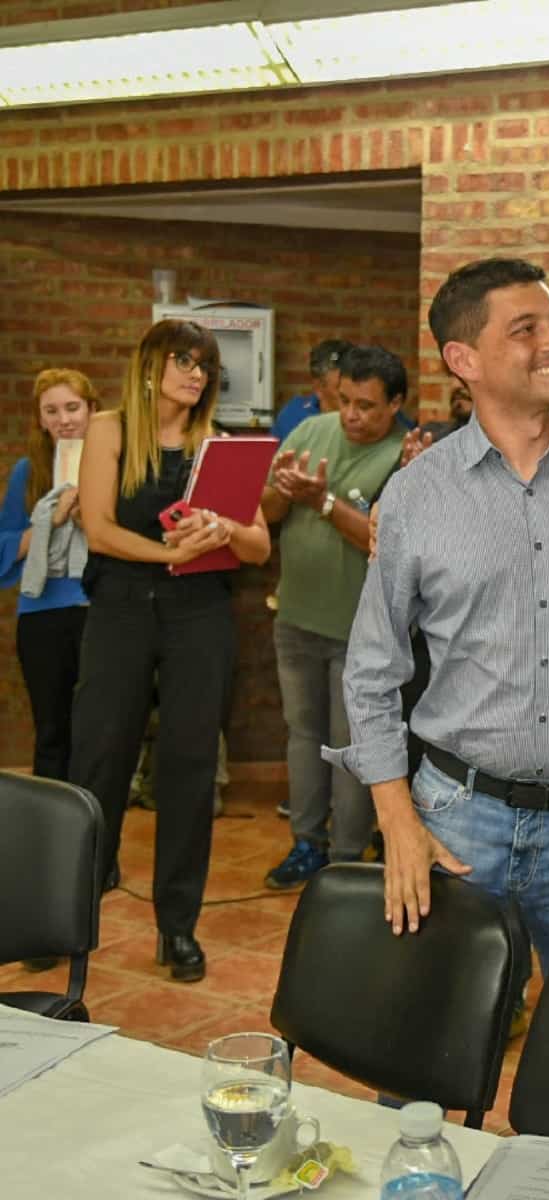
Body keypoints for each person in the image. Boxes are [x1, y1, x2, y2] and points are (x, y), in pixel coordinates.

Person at [330, 257, 549, 980]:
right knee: (433, 1030)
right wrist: (396, 820)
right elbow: (373, 670)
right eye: (526, 329)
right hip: (457, 819)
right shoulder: (414, 495)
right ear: (463, 359)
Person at [70, 319, 270, 982]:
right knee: (100, 758)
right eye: (183, 360)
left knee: (189, 768)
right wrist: (169, 553)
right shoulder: (110, 429)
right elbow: (99, 530)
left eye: (204, 364)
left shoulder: (222, 445)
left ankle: (177, 926)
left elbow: (258, 546)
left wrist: (224, 528)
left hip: (200, 613)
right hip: (122, 606)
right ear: (150, 366)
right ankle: (66, 914)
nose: (196, 373)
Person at [262, 345, 407, 889]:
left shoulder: (406, 457)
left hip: (361, 633)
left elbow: (383, 542)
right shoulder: (308, 432)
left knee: (352, 748)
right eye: (345, 400)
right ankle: (306, 843)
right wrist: (283, 492)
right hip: (296, 616)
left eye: (366, 405)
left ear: (395, 404)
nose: (351, 415)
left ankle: (347, 858)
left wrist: (323, 501)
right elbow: (266, 513)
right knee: (302, 735)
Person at [0, 368, 99, 783]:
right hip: (42, 614)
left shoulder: (113, 465)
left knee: (98, 734)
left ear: (92, 410)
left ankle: (96, 824)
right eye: (52, 411)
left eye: (72, 408)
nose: (64, 420)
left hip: (102, 609)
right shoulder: (28, 472)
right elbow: (5, 545)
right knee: (52, 733)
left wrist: (90, 518)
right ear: (40, 419)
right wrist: (49, 521)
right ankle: (51, 821)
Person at [270, 339, 354, 443]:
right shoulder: (293, 416)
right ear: (318, 388)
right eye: (340, 388)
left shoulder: (365, 418)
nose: (352, 394)